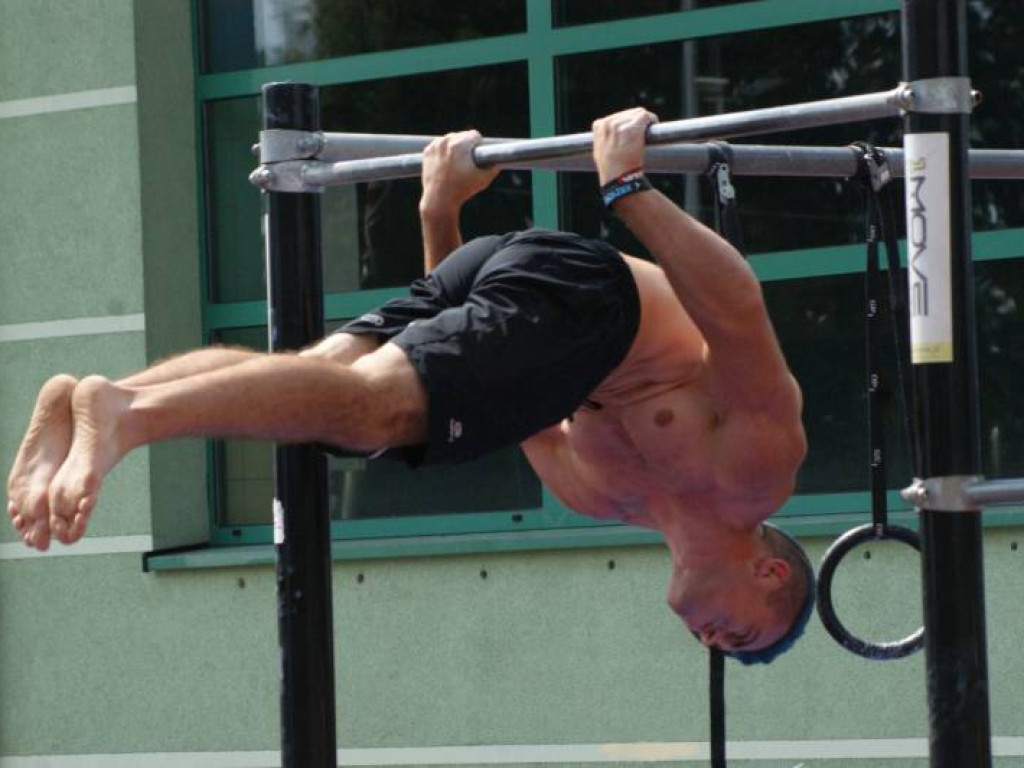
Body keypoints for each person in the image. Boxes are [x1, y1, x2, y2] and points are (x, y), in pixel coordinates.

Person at [6, 108, 811, 663]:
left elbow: (474, 378)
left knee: (329, 386)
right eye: (737, 634)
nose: (709, 636)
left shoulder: (595, 496)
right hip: (599, 299)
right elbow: (738, 313)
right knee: (370, 416)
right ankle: (128, 416)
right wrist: (627, 190)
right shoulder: (754, 479)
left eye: (716, 646)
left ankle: (103, 396)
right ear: (770, 573)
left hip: (515, 283)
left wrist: (440, 215)